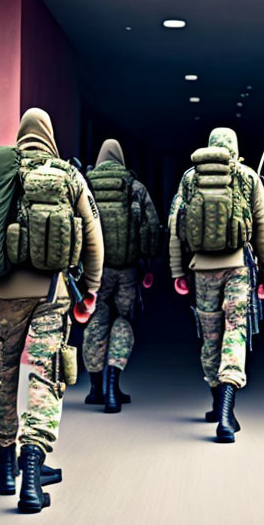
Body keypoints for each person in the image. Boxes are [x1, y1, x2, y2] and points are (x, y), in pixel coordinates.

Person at [0, 108, 103, 512]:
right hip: (51, 293)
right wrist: (89, 289)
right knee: (44, 378)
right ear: (50, 137)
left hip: (1, 294)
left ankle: (5, 468)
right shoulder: (69, 177)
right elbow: (92, 239)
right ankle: (32, 478)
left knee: (2, 376)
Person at [168, 127, 264, 443]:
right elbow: (263, 230)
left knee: (211, 334)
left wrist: (177, 271)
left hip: (202, 268)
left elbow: (176, 228)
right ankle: (227, 413)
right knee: (235, 331)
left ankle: (216, 404)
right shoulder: (247, 176)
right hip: (239, 266)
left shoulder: (190, 178)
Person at [82, 139, 160, 413]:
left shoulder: (86, 185)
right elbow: (151, 228)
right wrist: (148, 264)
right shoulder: (134, 187)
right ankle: (114, 385)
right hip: (127, 271)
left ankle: (95, 390)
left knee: (95, 322)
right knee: (123, 322)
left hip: (95, 273)